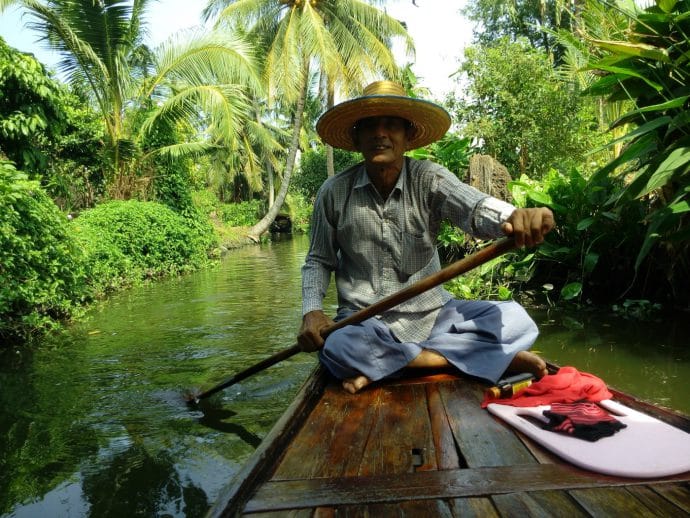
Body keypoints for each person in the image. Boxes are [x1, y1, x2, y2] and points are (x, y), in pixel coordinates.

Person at [297, 81, 555, 394]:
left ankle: (395, 365)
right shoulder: (334, 192)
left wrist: (511, 217)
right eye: (370, 126)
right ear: (357, 137)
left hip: (436, 317)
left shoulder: (428, 178)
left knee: (517, 319)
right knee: (338, 347)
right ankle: (459, 360)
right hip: (366, 323)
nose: (380, 133)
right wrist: (312, 311)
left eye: (391, 124)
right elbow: (318, 260)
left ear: (407, 136)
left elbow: (473, 207)